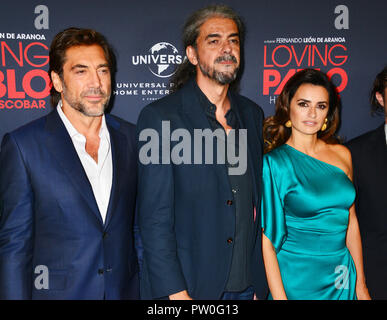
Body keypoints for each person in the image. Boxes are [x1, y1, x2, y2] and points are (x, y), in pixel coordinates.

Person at [137, 5, 267, 300]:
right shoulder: (160, 118)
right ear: (192, 54)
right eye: (214, 40)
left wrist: (259, 282)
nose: (227, 49)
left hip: (247, 287)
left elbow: (251, 203)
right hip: (192, 288)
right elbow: (154, 220)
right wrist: (176, 293)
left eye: (233, 40)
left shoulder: (252, 114)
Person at [0, 28, 139, 299]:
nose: (96, 83)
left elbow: (139, 230)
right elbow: (14, 247)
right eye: (81, 71)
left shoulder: (132, 139)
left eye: (103, 70)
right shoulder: (23, 146)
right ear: (57, 81)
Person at [261, 68, 371, 300]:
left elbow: (351, 222)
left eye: (321, 106)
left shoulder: (343, 155)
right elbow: (268, 242)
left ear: (328, 113)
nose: (312, 113)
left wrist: (361, 285)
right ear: (287, 107)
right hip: (296, 282)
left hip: (341, 277)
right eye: (303, 104)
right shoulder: (275, 164)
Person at [346, 66, 387, 299]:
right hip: (375, 282)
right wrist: (360, 285)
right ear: (380, 98)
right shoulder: (355, 153)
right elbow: (349, 225)